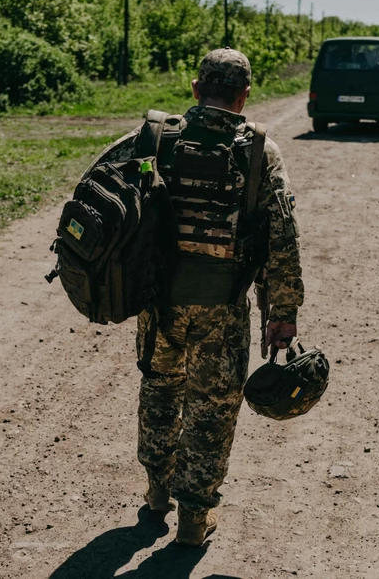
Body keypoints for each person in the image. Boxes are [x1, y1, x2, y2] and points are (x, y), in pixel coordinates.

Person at [135, 48, 304, 546]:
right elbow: (283, 239)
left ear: (195, 89)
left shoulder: (157, 138)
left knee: (159, 390)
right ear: (244, 95)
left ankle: (157, 492)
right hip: (222, 306)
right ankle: (194, 518)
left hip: (159, 302)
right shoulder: (258, 151)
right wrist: (283, 311)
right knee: (212, 407)